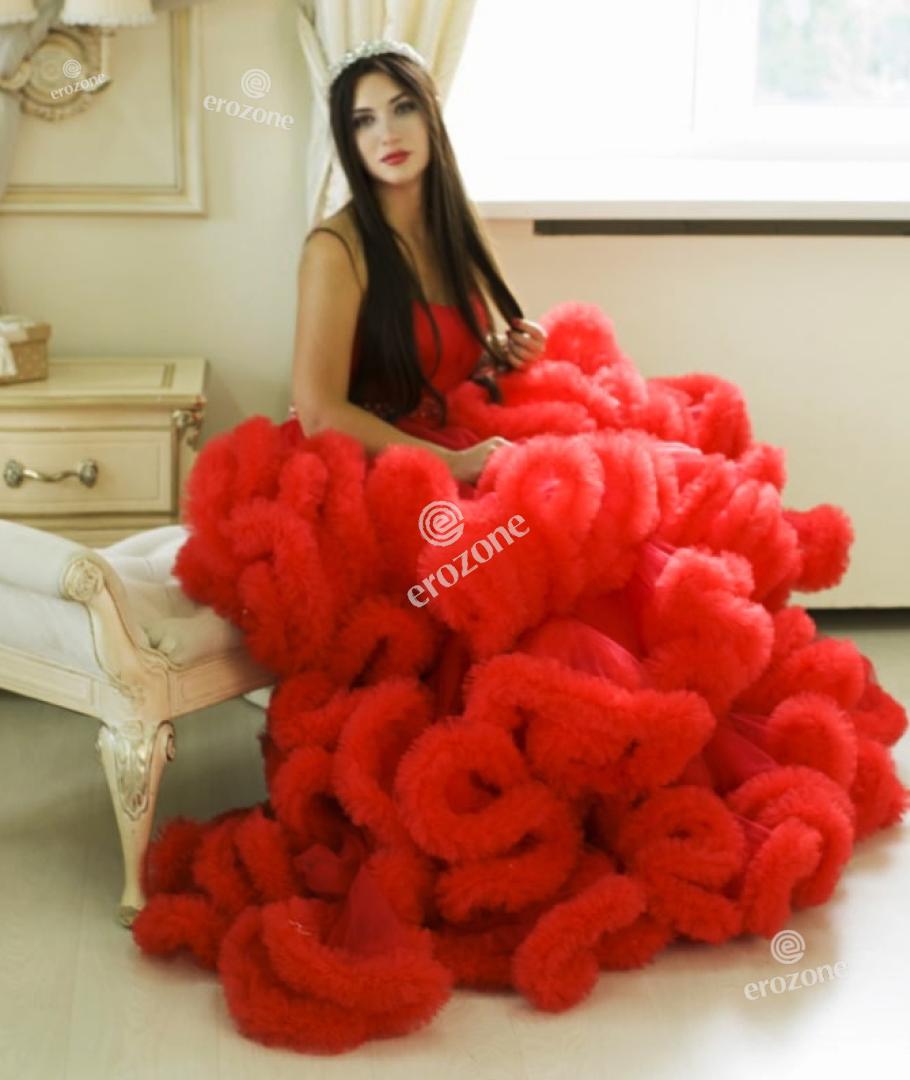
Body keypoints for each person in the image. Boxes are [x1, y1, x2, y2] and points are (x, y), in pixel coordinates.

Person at [131, 40, 909, 1057]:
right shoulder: (338, 248)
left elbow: (449, 359)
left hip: (453, 444)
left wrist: (505, 353)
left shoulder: (448, 230)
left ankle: (623, 768)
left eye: (400, 109)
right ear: (345, 140)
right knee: (523, 564)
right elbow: (318, 409)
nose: (385, 134)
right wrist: (456, 463)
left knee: (618, 519)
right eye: (362, 120)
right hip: (381, 472)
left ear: (429, 117)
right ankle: (563, 782)